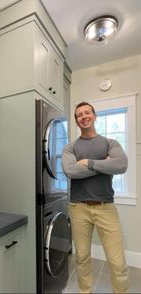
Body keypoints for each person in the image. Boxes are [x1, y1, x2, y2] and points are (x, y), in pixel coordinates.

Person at [62, 101, 130, 293]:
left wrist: (89, 163)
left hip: (106, 207)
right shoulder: (70, 148)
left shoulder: (110, 143)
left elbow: (121, 165)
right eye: (79, 115)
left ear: (94, 116)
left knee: (117, 262)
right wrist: (104, 165)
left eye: (87, 113)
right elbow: (70, 171)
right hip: (78, 208)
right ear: (76, 121)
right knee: (82, 258)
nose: (83, 117)